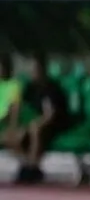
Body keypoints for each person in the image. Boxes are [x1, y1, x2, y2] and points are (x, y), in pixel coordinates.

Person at [5, 54, 73, 184]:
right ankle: (28, 165)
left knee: (35, 129)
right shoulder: (30, 88)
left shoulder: (52, 89)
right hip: (33, 124)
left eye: (34, 69)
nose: (32, 72)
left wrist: (33, 125)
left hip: (54, 125)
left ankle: (32, 168)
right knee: (10, 136)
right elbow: (23, 110)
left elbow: (50, 115)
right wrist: (19, 126)